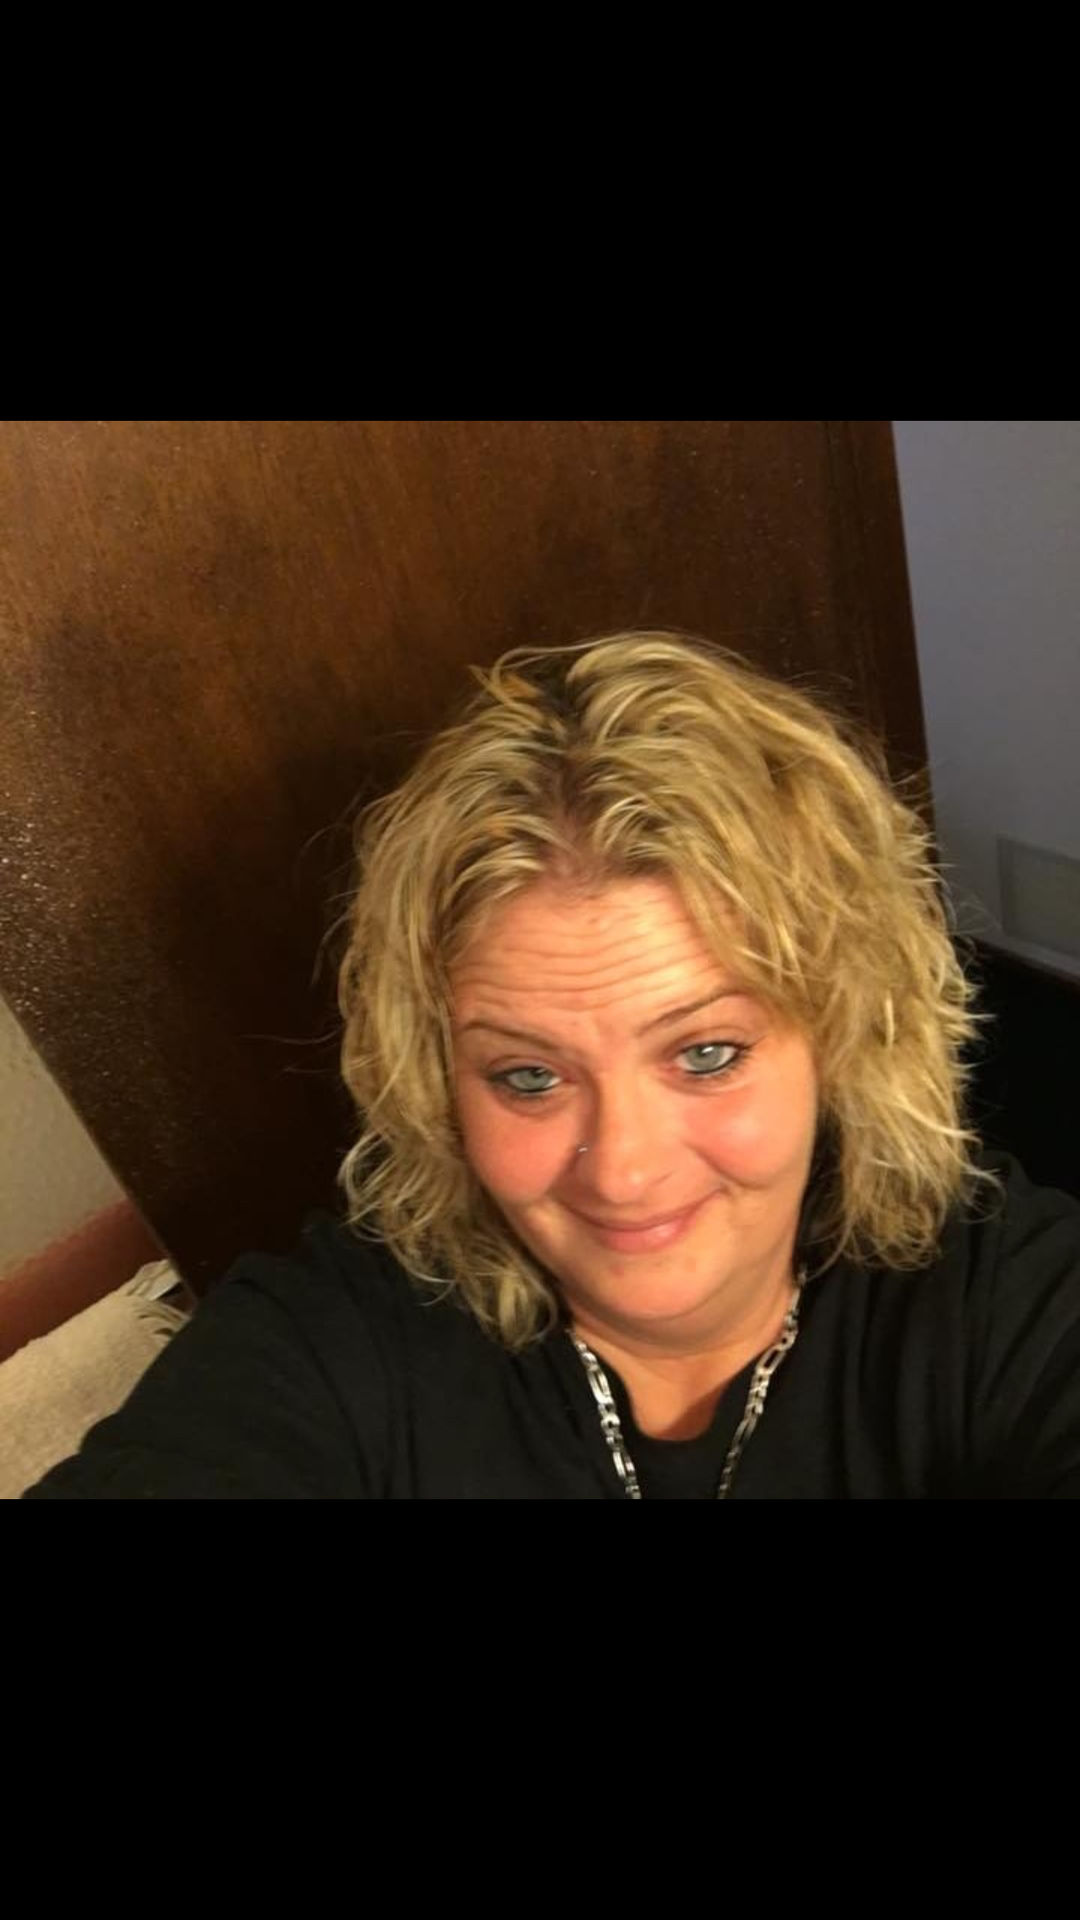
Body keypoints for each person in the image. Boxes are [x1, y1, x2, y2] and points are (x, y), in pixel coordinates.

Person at [24, 630, 1080, 1499]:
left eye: (706, 1054)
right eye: (528, 1076)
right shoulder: (339, 1340)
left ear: (841, 1036)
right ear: (436, 1079)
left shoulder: (1003, 1304)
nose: (623, 1171)